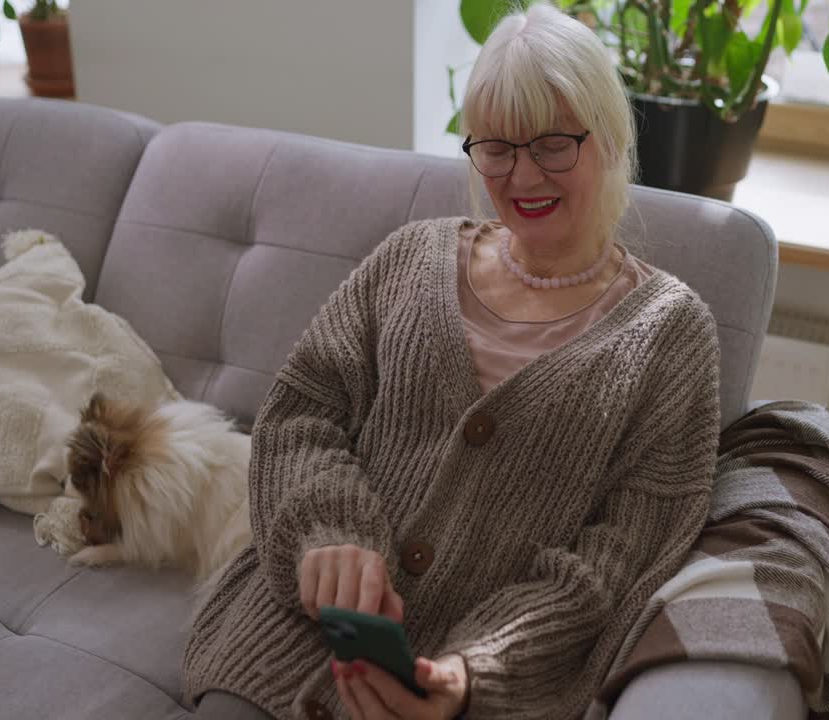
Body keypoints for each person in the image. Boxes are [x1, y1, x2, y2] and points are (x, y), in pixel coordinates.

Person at [184, 3, 722, 718]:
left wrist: (481, 670)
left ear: (611, 139)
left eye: (553, 144)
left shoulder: (671, 335)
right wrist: (329, 532)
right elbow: (303, 407)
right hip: (287, 641)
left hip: (471, 689)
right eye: (496, 147)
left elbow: (618, 560)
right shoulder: (412, 256)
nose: (523, 176)